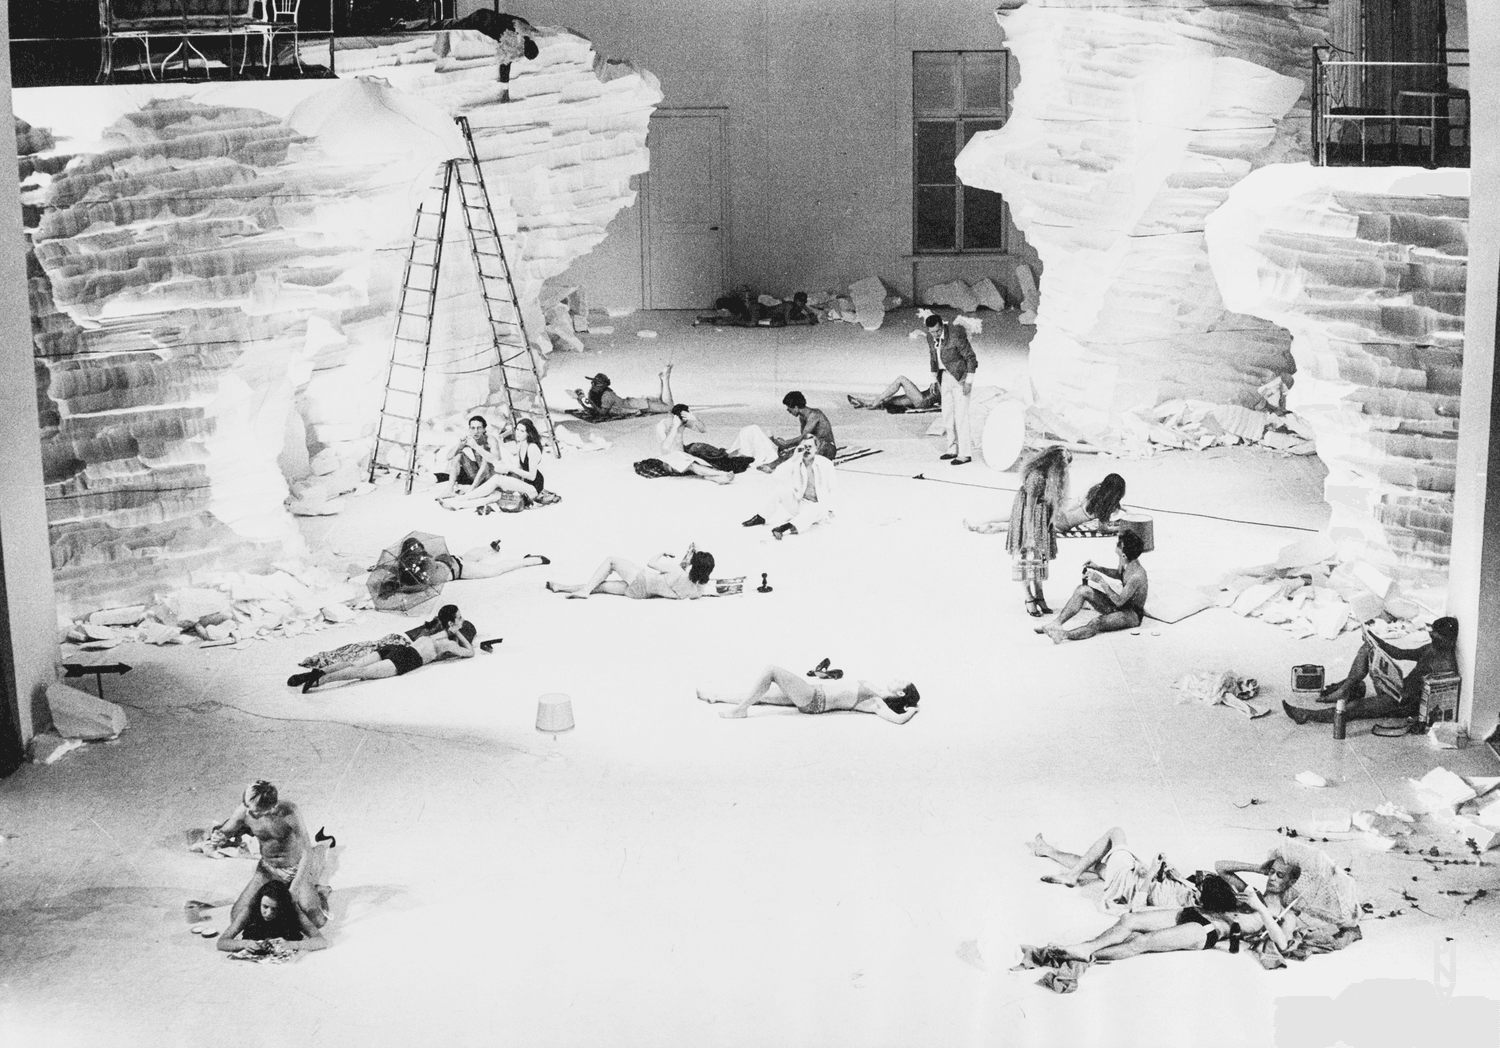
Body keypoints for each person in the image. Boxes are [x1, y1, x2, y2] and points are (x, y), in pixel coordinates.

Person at [1043, 873, 1293, 964]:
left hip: (1207, 930)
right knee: (1130, 920)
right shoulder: (1253, 891)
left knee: (1143, 942)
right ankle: (1085, 948)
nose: (1272, 877)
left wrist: (1260, 908)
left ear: (1290, 882)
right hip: (1197, 912)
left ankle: (1092, 954)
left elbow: (1282, 944)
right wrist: (1256, 869)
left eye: (1280, 875)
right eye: (1271, 871)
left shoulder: (1284, 914)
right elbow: (1221, 867)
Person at [209, 781, 332, 954]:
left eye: (256, 810)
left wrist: (295, 887)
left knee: (317, 920)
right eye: (247, 806)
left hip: (294, 867)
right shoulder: (245, 810)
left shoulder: (289, 812)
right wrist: (218, 838)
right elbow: (225, 832)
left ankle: (321, 890)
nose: (250, 812)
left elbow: (306, 852)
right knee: (236, 916)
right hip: (267, 869)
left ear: (271, 807)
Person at [1284, 616, 1459, 726]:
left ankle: (1306, 715)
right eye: (1432, 636)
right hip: (1398, 689)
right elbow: (1402, 653)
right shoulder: (1432, 648)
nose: (1433, 640)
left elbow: (1434, 699)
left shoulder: (1445, 664)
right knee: (1367, 649)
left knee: (1354, 708)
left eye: (1437, 639)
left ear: (1449, 641)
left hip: (1402, 703)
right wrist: (1376, 642)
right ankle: (1344, 690)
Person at [294, 605, 475, 691]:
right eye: (460, 618)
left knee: (354, 662)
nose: (462, 620)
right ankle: (320, 681)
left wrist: (453, 628)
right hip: (406, 659)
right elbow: (470, 652)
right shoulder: (448, 643)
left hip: (396, 648)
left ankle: (319, 672)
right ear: (451, 623)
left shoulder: (432, 633)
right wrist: (458, 633)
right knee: (361, 672)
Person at [1026, 827, 1194, 913]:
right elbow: (1170, 885)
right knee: (1095, 866)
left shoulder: (1181, 909)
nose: (1196, 889)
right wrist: (1172, 872)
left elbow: (1139, 908)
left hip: (1128, 884)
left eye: (1197, 892)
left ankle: (1071, 875)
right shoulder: (1196, 893)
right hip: (1134, 877)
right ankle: (1046, 850)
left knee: (1116, 833)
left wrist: (1151, 874)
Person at [1036, 530, 1149, 643]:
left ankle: (1062, 635)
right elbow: (1119, 574)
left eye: (1119, 544)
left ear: (1124, 554)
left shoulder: (1137, 576)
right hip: (1121, 606)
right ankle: (1056, 624)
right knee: (1083, 590)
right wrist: (1098, 567)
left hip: (1132, 615)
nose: (1116, 543)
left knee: (1096, 623)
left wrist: (1101, 581)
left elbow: (1119, 601)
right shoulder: (1127, 561)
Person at [698, 666, 920, 723]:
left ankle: (740, 711)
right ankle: (716, 696)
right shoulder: (876, 688)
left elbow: (898, 719)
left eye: (902, 682)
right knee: (761, 694)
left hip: (814, 700)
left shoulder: (877, 702)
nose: (897, 678)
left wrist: (912, 710)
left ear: (900, 692)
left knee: (771, 670)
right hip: (813, 692)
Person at [1007, 446, 1074, 616]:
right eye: (1063, 466)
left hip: (1043, 515)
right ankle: (1029, 597)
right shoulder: (1037, 476)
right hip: (1028, 517)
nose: (1066, 470)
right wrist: (1029, 535)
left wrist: (1052, 518)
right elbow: (1029, 508)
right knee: (1026, 557)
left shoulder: (1053, 476)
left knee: (1040, 557)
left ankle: (1039, 595)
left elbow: (1055, 499)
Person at [439, 418, 550, 511]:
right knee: (494, 496)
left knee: (497, 479)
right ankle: (457, 505)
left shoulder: (532, 448)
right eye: (517, 430)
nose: (518, 433)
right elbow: (521, 468)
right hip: (524, 484)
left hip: (534, 488)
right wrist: (509, 474)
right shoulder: (521, 445)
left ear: (529, 433)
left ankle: (461, 499)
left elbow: (532, 476)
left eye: (522, 431)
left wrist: (509, 468)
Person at [967, 473, 1126, 536]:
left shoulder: (1093, 488)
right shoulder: (1105, 509)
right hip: (1062, 525)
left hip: (1059, 511)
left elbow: (1074, 503)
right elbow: (1103, 528)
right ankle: (993, 527)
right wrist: (1119, 527)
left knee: (1020, 513)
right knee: (1023, 525)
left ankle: (981, 521)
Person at [741, 435, 836, 539]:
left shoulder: (826, 464)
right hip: (800, 504)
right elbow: (777, 475)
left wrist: (830, 509)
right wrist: (794, 457)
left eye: (810, 447)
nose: (807, 450)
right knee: (780, 490)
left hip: (818, 508)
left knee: (815, 508)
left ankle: (784, 528)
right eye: (804, 447)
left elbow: (833, 488)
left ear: (816, 449)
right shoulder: (795, 462)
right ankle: (761, 517)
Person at [546, 546, 716, 600]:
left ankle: (584, 591)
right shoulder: (695, 591)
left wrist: (662, 552)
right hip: (642, 593)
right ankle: (560, 587)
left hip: (641, 578)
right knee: (602, 586)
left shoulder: (676, 569)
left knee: (611, 560)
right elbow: (693, 579)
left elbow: (651, 564)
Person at [731, 391, 837, 471]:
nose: (789, 411)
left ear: (795, 407)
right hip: (815, 445)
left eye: (789, 408)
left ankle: (773, 467)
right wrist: (783, 445)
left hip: (827, 447)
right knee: (790, 452)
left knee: (799, 453)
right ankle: (773, 465)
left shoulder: (815, 415)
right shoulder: (802, 417)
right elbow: (804, 439)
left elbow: (804, 437)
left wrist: (786, 443)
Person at [217, 879, 327, 955]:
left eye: (274, 909)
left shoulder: (293, 909)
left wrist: (291, 944)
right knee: (235, 915)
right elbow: (222, 942)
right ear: (259, 903)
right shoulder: (250, 908)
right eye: (265, 907)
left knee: (318, 920)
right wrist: (244, 943)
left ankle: (322, 894)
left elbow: (321, 941)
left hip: (298, 896)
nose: (268, 913)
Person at [925, 311, 978, 465]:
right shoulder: (930, 337)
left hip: (960, 377)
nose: (935, 334)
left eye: (937, 331)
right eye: (932, 331)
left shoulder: (955, 336)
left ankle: (965, 453)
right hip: (945, 377)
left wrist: (968, 381)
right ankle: (952, 448)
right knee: (947, 414)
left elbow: (971, 358)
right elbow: (933, 357)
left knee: (961, 416)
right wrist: (933, 379)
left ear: (943, 326)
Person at [654, 405, 735, 484]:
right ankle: (721, 473)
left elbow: (703, 430)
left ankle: (716, 478)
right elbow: (665, 447)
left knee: (701, 461)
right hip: (669, 460)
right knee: (692, 465)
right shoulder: (661, 426)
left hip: (682, 454)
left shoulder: (682, 422)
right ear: (671, 415)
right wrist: (675, 426)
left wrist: (695, 419)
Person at [571, 366, 676, 419]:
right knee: (660, 401)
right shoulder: (593, 392)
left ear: (602, 386)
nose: (593, 385)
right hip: (629, 404)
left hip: (635, 405)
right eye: (593, 383)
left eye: (596, 384)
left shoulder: (608, 395)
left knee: (669, 407)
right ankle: (662, 382)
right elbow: (595, 412)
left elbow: (602, 413)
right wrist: (582, 404)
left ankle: (665, 379)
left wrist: (592, 404)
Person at [439, 415, 494, 498]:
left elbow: (496, 459)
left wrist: (476, 446)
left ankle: (472, 489)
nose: (476, 431)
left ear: (484, 429)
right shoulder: (470, 439)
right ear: (469, 429)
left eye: (479, 428)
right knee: (458, 455)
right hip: (477, 477)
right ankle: (449, 490)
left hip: (490, 477)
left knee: (486, 459)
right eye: (473, 428)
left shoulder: (490, 440)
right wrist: (459, 445)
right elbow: (449, 457)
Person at [847, 376, 939, 413]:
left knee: (901, 379)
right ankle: (863, 402)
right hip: (922, 397)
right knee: (889, 400)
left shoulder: (947, 379)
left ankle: (876, 400)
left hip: (923, 401)